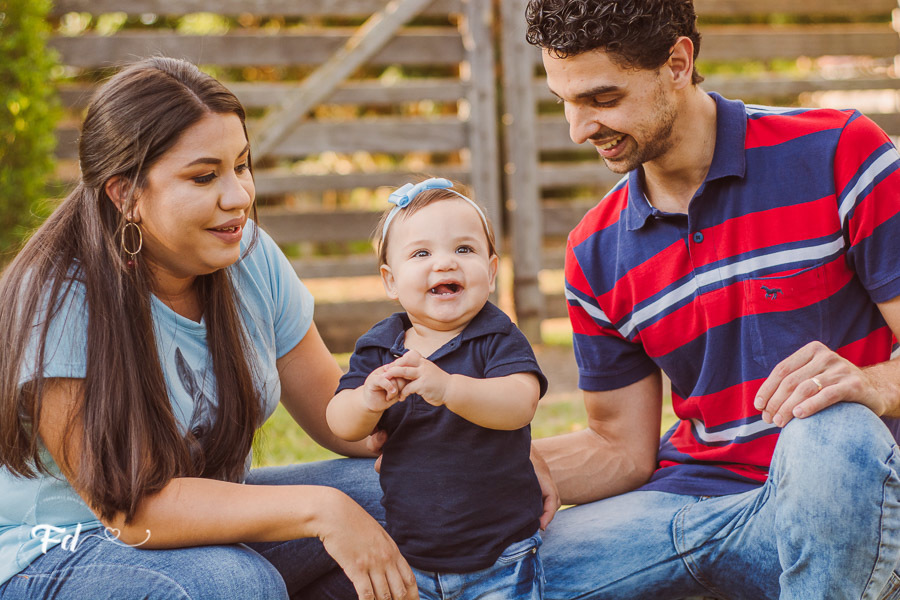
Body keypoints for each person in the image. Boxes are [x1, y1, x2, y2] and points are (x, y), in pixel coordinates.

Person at [0, 56, 419, 600]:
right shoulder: (57, 297)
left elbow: (340, 419)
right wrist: (322, 509)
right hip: (54, 549)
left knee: (409, 494)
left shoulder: (249, 258)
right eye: (204, 176)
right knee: (234, 583)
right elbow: (133, 511)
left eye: (241, 166)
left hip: (196, 527)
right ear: (124, 194)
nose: (239, 196)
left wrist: (458, 439)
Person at [522, 0, 900, 598]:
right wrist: (511, 465)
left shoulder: (840, 153)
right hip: (688, 509)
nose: (579, 128)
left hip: (837, 496)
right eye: (564, 101)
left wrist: (875, 385)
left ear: (677, 61)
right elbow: (621, 449)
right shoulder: (593, 250)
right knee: (511, 571)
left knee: (832, 430)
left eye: (602, 98)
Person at [326, 178, 548, 599]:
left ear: (492, 269)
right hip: (411, 555)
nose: (445, 263)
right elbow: (340, 421)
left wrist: (447, 388)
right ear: (391, 281)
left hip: (500, 555)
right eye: (422, 253)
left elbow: (520, 404)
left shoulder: (497, 337)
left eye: (464, 249)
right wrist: (366, 400)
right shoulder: (380, 347)